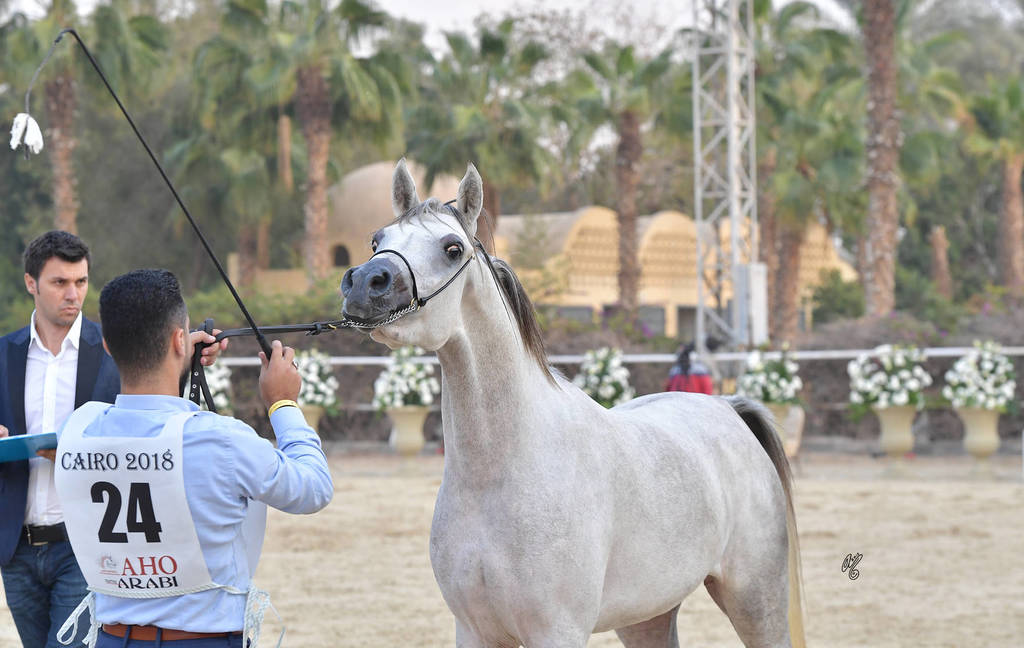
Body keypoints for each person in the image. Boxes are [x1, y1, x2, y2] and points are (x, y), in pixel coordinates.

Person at [53, 268, 333, 647]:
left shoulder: (79, 428)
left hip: (113, 637)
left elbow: (144, 413)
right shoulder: (222, 439)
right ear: (179, 339)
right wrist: (283, 402)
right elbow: (313, 488)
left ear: (106, 345)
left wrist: (178, 358)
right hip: (205, 638)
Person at [0, 231, 226, 648]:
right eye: (60, 283)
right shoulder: (3, 354)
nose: (74, 294)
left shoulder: (116, 349)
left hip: (85, 540)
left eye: (81, 282)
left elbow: (152, 407)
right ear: (31, 283)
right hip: (15, 546)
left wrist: (186, 360)